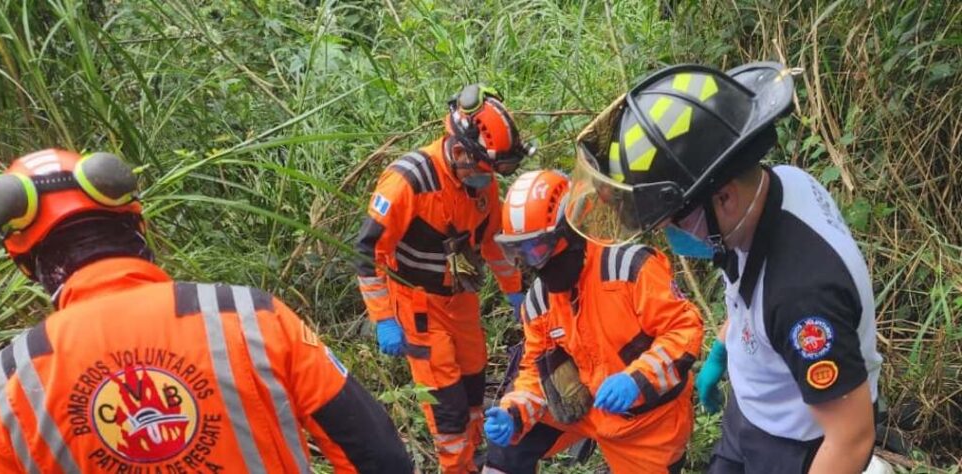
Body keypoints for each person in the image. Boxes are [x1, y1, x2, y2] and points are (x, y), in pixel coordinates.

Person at [0, 149, 414, 473]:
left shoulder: (2, 390)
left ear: (26, 263)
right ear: (138, 226)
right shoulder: (250, 319)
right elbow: (379, 457)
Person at [564, 62, 882, 473]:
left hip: (796, 445)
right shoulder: (776, 188)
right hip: (753, 413)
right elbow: (750, 294)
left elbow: (851, 438)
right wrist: (723, 350)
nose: (669, 238)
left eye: (673, 223)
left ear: (724, 198)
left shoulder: (803, 295)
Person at [354, 84, 533, 473]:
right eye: (484, 170)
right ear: (458, 150)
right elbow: (368, 251)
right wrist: (383, 317)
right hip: (418, 306)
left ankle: (473, 460)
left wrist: (515, 293)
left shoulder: (481, 188)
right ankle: (456, 467)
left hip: (461, 300)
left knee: (472, 389)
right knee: (447, 405)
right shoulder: (409, 181)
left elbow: (494, 245)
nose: (488, 181)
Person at [482, 170, 704, 473]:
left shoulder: (629, 268)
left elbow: (683, 330)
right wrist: (514, 412)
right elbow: (535, 371)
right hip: (582, 409)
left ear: (566, 232)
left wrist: (635, 379)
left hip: (645, 424)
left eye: (535, 249)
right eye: (518, 252)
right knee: (507, 446)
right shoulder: (539, 301)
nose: (531, 264)